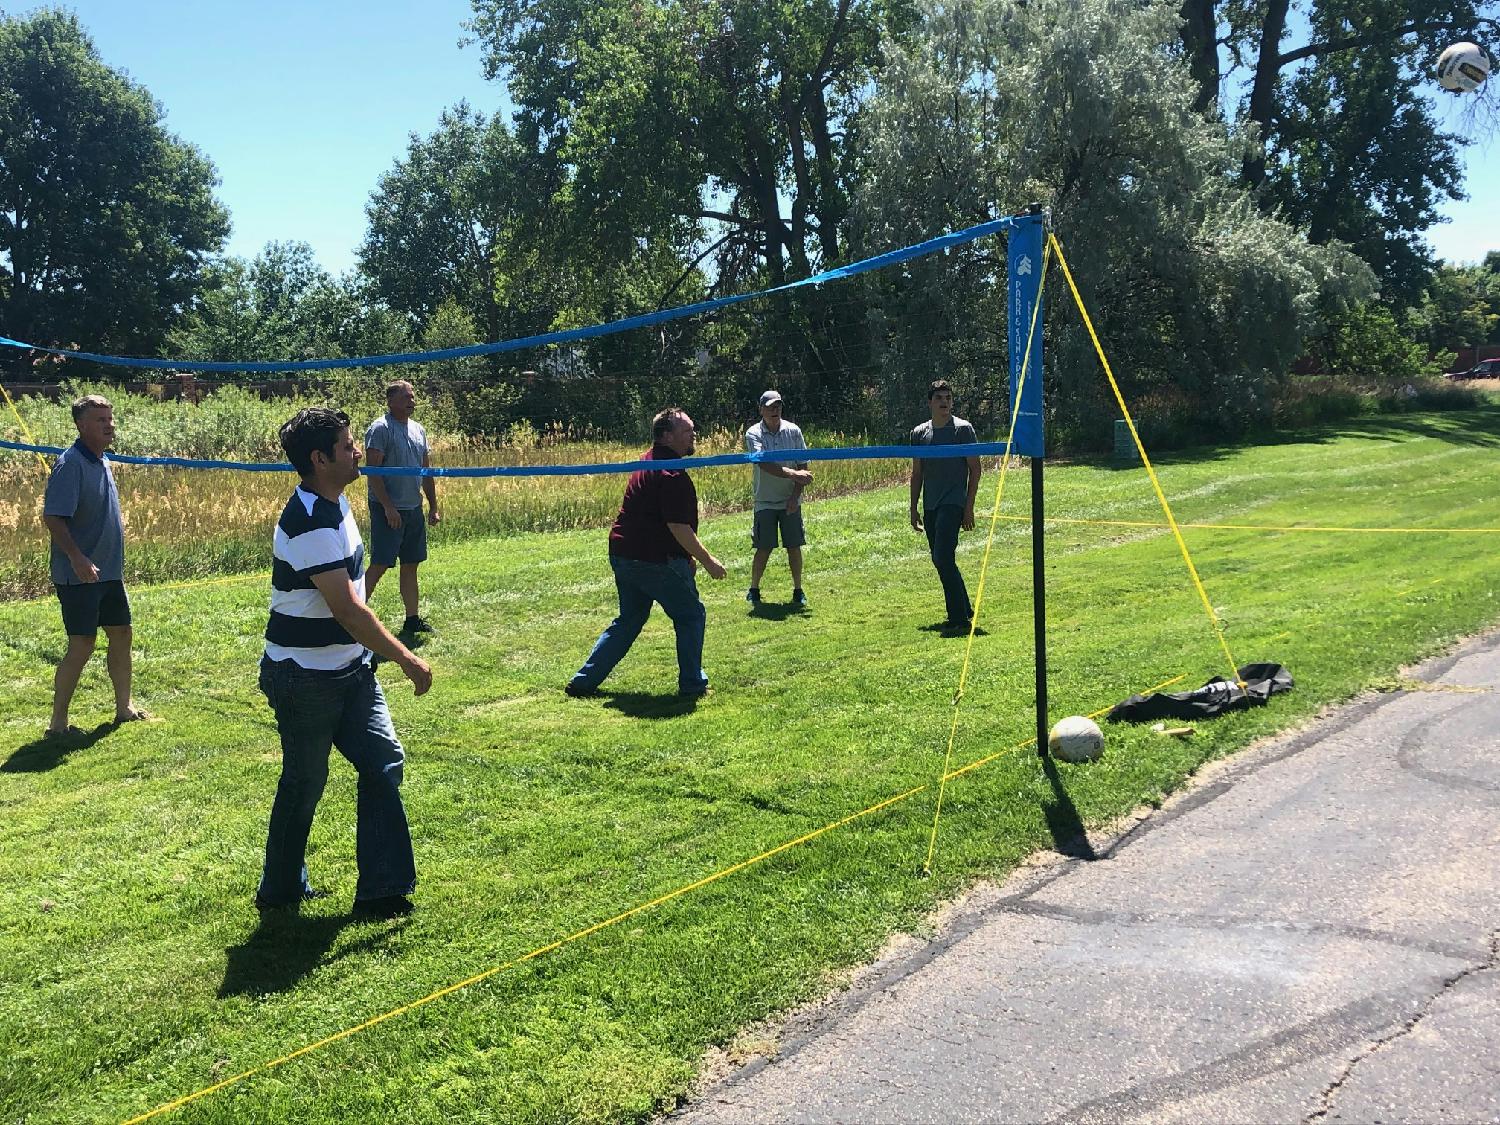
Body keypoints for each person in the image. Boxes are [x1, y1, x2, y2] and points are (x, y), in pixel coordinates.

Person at [257, 407, 433, 919]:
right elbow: (348, 609)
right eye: (348, 445)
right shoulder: (309, 519)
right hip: (303, 678)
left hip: (351, 671)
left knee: (382, 764)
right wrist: (404, 656)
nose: (358, 451)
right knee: (305, 782)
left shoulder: (336, 503)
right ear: (319, 459)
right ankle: (281, 888)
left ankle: (383, 892)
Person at [567, 408, 727, 698]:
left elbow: (655, 518)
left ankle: (583, 682)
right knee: (691, 615)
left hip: (623, 553)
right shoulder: (671, 474)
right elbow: (678, 527)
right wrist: (708, 561)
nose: (693, 435)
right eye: (687, 431)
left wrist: (686, 558)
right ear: (667, 436)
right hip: (652, 560)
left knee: (629, 619)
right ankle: (692, 685)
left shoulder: (647, 460)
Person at [41, 394, 148, 737]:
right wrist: (77, 557)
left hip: (108, 573)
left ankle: (124, 708)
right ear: (81, 425)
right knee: (82, 643)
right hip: (79, 575)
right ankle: (57, 725)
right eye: (100, 419)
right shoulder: (71, 464)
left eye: (110, 418)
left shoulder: (101, 461)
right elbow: (54, 518)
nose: (109, 424)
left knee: (121, 634)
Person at [364, 380, 440, 634]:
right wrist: (388, 507)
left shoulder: (419, 429)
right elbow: (373, 473)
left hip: (413, 508)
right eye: (406, 397)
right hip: (388, 510)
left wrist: (433, 506)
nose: (412, 402)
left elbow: (426, 471)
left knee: (411, 564)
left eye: (413, 397)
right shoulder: (380, 429)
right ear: (390, 401)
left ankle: (412, 619)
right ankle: (348, 618)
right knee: (381, 564)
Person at [909, 379, 982, 631]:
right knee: (940, 559)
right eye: (939, 398)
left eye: (948, 398)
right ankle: (965, 607)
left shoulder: (963, 430)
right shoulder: (919, 434)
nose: (944, 403)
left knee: (943, 556)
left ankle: (958, 619)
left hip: (953, 502)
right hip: (931, 505)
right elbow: (917, 473)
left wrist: (968, 507)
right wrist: (913, 508)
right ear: (930, 402)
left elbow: (975, 469)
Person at [743, 389, 813, 607]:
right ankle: (754, 589)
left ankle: (798, 590)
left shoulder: (793, 431)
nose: (775, 410)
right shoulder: (753, 433)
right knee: (764, 547)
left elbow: (804, 466)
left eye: (778, 406)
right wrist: (793, 474)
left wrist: (794, 497)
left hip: (789, 500)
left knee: (794, 546)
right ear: (761, 409)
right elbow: (762, 462)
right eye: (770, 406)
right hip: (764, 500)